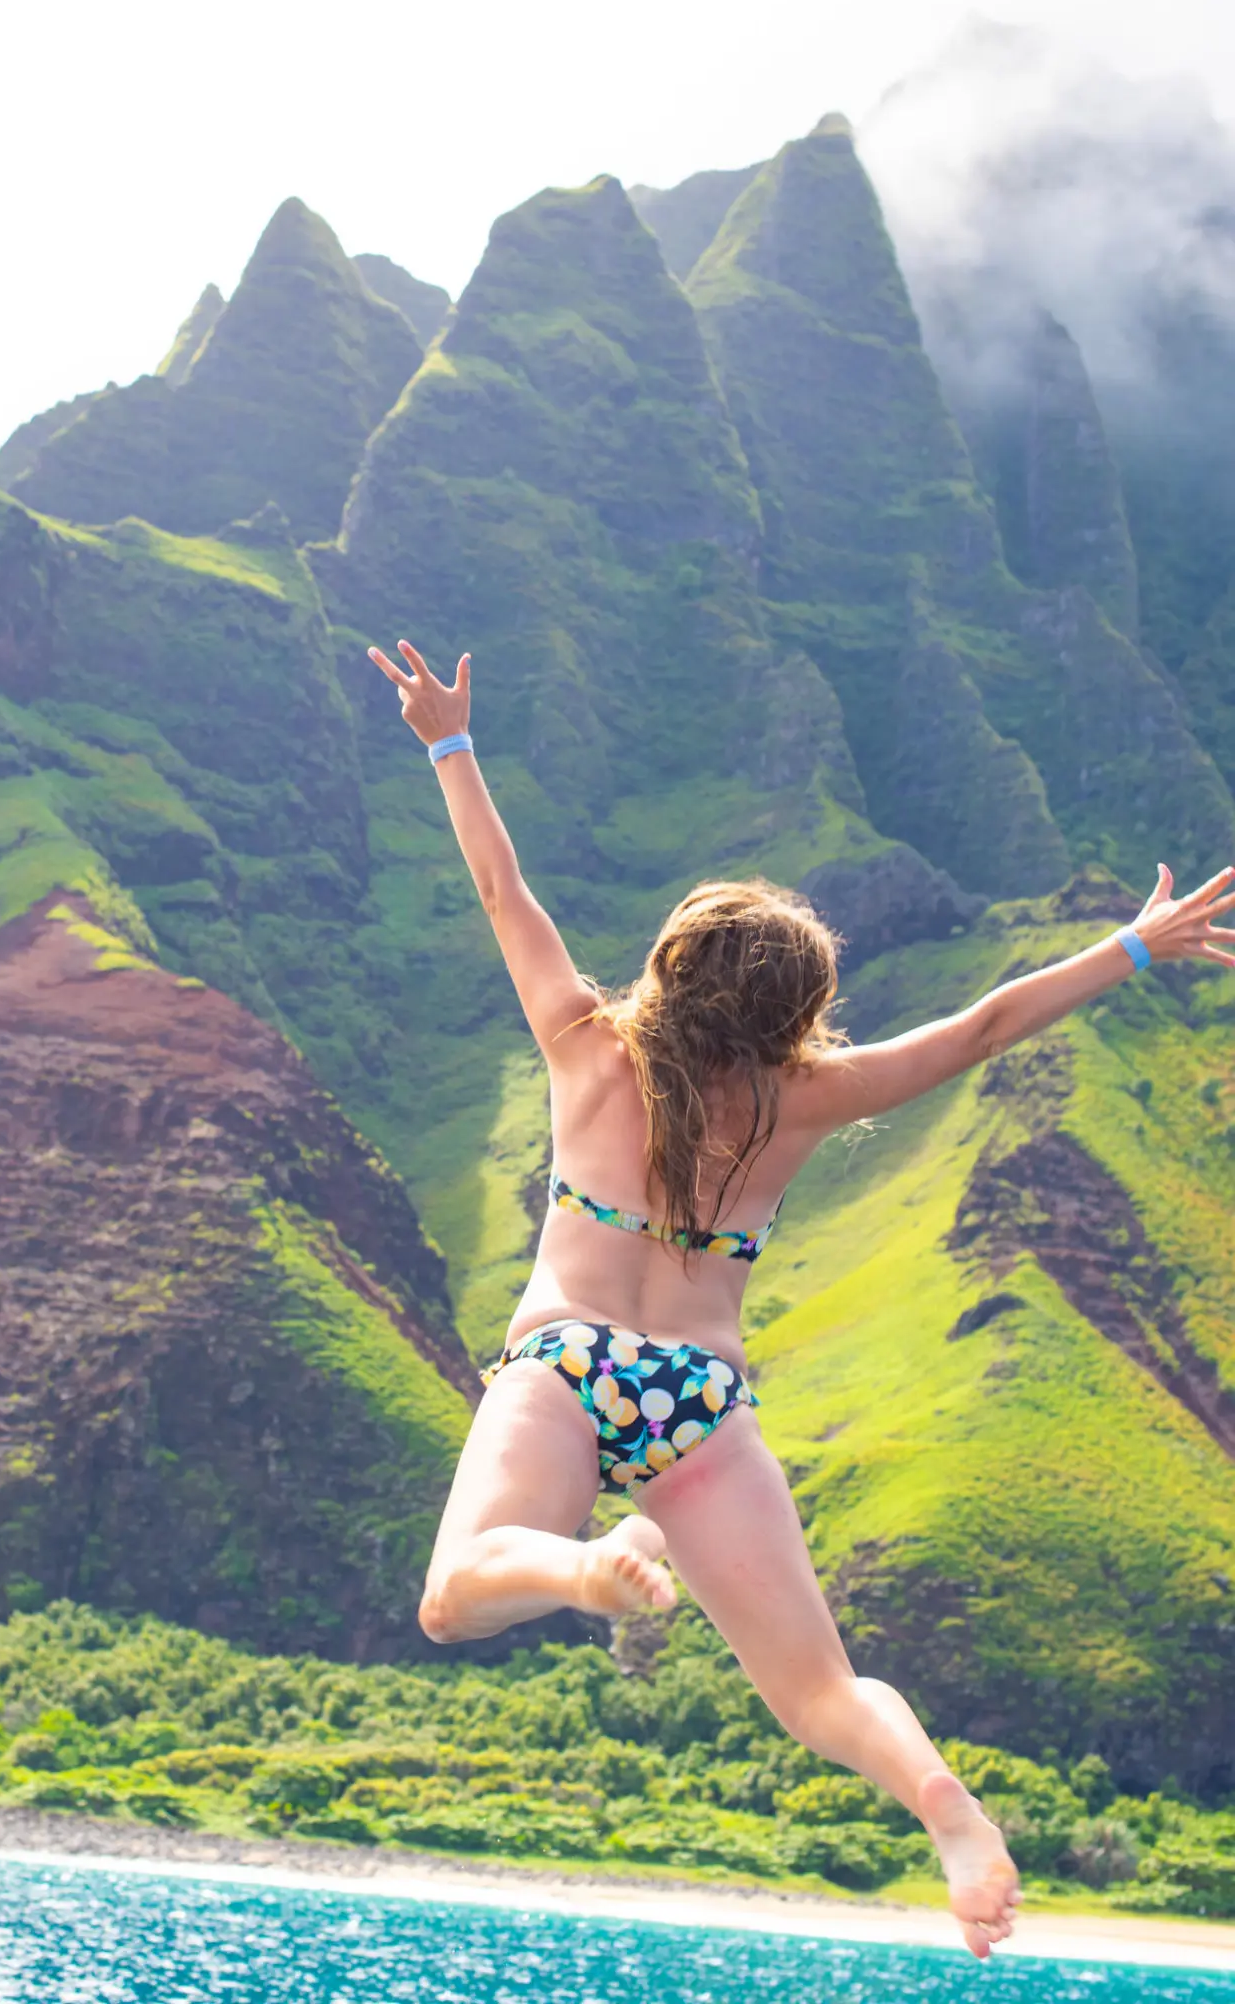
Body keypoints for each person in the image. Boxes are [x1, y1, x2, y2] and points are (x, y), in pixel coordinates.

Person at [369, 636, 1235, 1959]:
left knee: (458, 1591)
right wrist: (1132, 943)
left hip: (565, 1365)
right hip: (697, 1400)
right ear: (796, 1015)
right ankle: (946, 1811)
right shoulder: (804, 1099)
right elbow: (983, 1028)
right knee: (820, 1689)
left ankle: (595, 1574)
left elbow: (502, 890)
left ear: (668, 967)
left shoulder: (582, 1046)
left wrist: (449, 741)